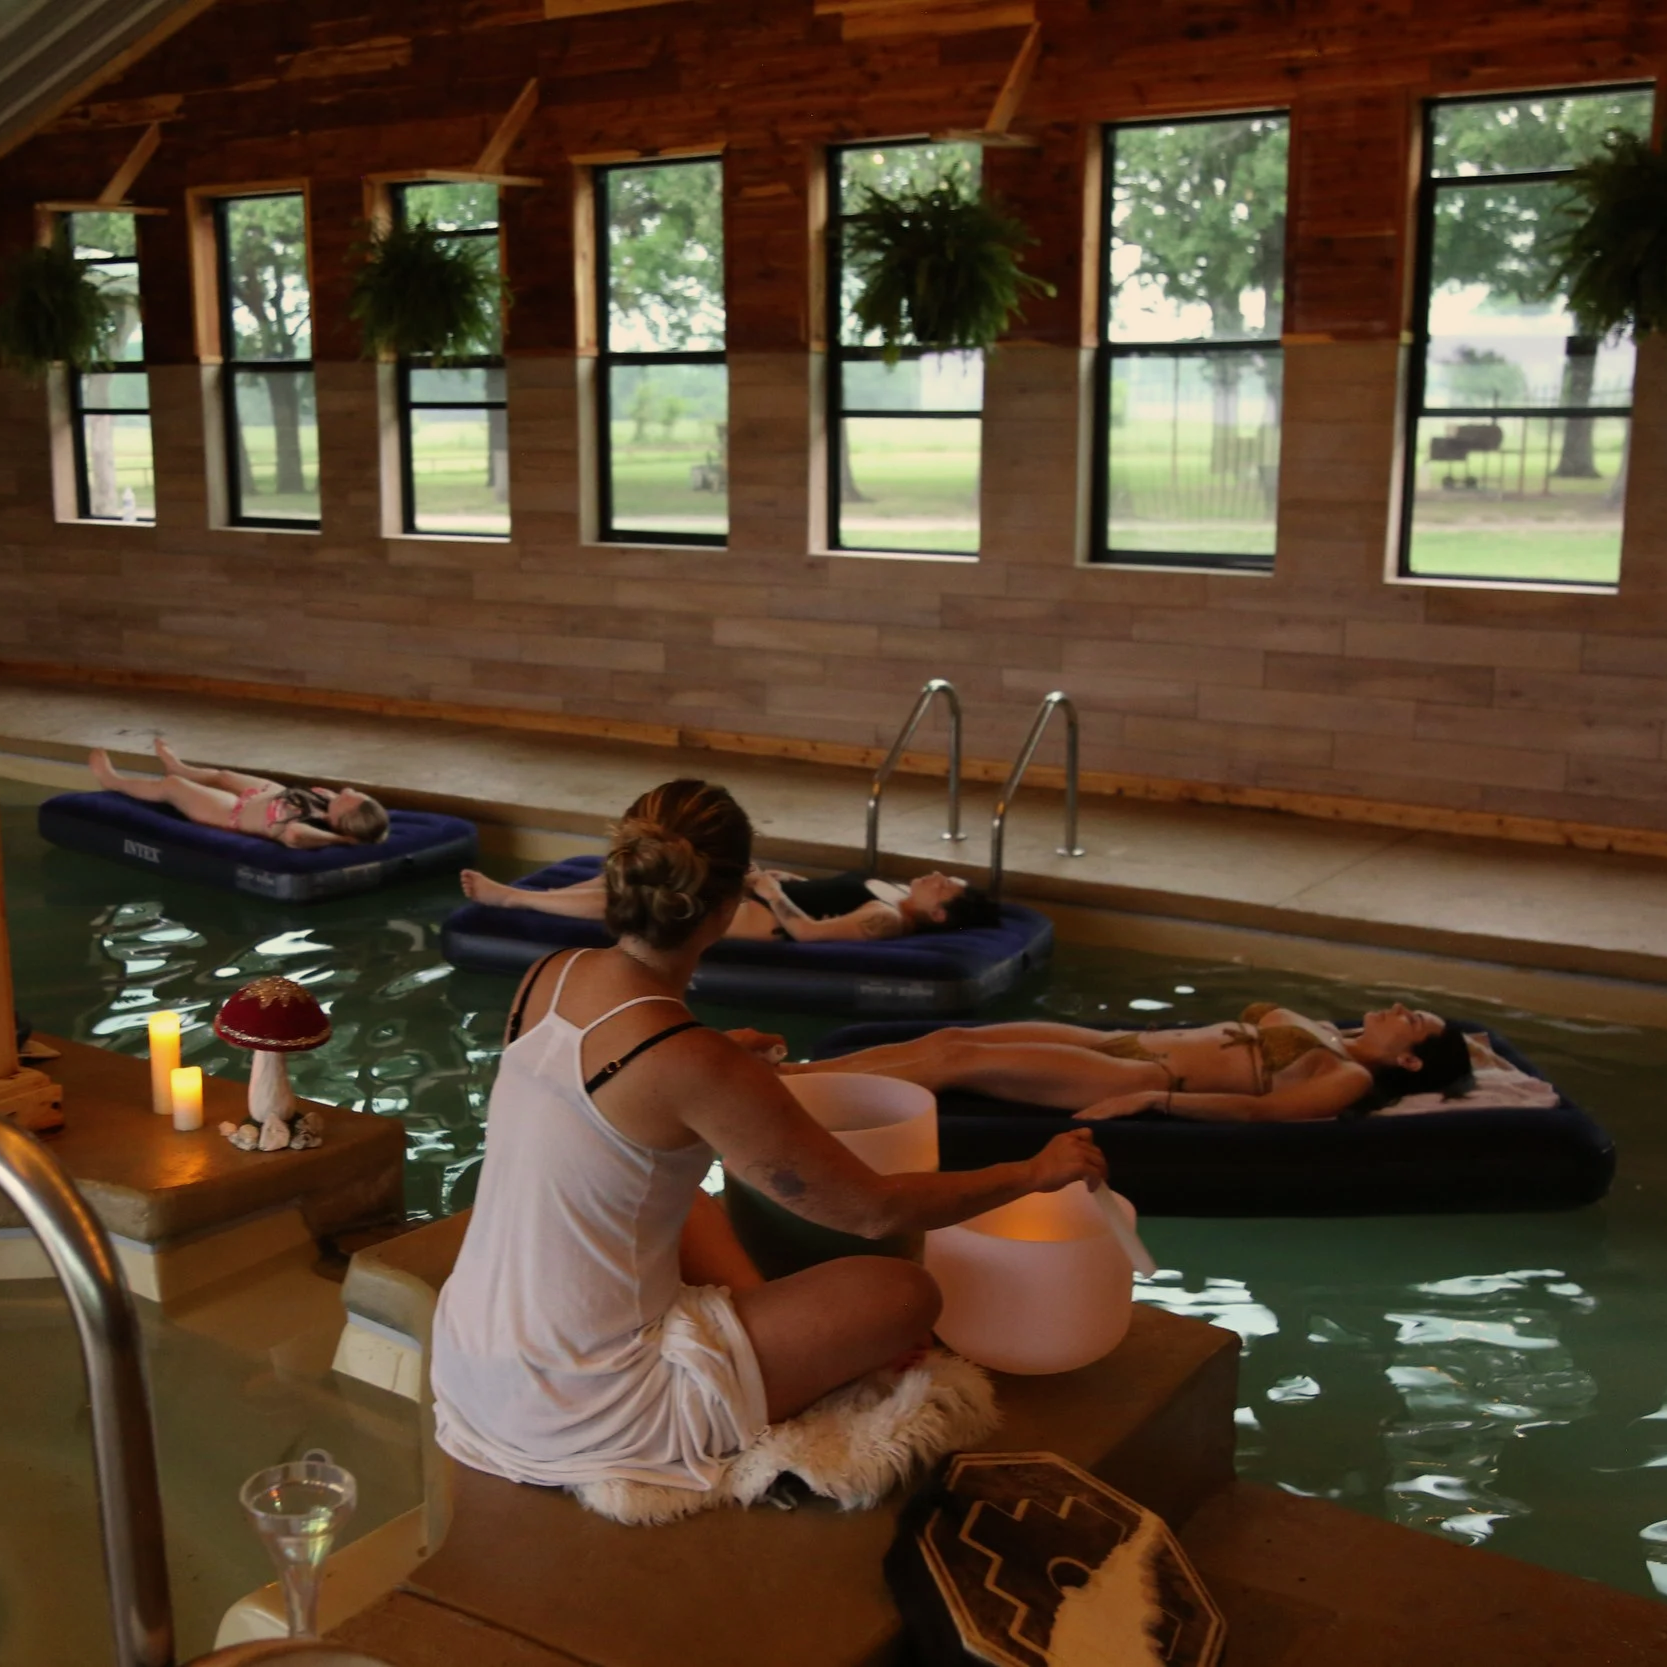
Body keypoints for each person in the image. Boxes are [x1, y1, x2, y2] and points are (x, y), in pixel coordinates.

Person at [429, 779, 1105, 1493]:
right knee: (904, 1292)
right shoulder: (696, 1063)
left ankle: (753, 1335)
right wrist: (1031, 1172)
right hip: (588, 1408)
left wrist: (719, 1067)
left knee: (672, 1190)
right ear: (722, 911)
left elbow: (622, 1091)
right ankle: (750, 1359)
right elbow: (872, 1209)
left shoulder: (549, 973)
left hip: (473, 1358)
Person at [792, 1003, 1476, 1123]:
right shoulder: (1330, 1032)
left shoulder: (1349, 1075)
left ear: (1409, 1061)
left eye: (1410, 1019)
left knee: (956, 1059)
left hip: (1139, 1074)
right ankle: (790, 1072)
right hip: (1114, 1040)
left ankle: (783, 1087)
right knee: (947, 1038)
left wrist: (1154, 1103)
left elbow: (1262, 1112)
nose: (1394, 1007)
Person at [458, 859, 1002, 943]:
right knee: (634, 865)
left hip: (754, 918)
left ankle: (513, 902)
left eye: (945, 886)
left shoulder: (885, 917)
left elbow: (810, 933)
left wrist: (772, 893)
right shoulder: (891, 892)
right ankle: (540, 895)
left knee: (635, 901)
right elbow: (826, 895)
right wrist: (787, 877)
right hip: (759, 895)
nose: (935, 875)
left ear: (938, 914)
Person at [89, 738, 390, 848]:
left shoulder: (312, 829)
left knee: (172, 788)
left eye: (349, 797)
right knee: (224, 775)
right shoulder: (329, 802)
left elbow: (294, 837)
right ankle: (180, 766)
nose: (347, 790)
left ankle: (113, 781)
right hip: (274, 797)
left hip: (235, 812)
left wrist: (343, 839)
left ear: (341, 821)